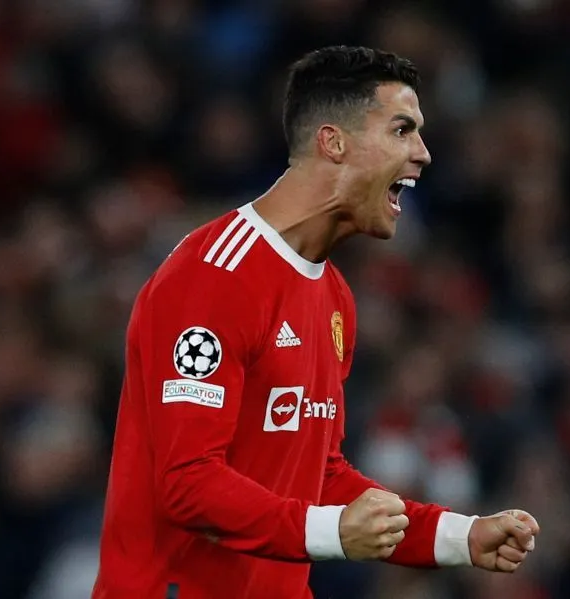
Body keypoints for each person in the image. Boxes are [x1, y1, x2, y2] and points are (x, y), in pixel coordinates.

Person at [92, 45, 540, 599]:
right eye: (402, 130)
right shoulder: (214, 276)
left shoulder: (335, 298)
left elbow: (318, 475)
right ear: (334, 142)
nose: (423, 154)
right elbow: (188, 484)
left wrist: (458, 536)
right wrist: (332, 533)